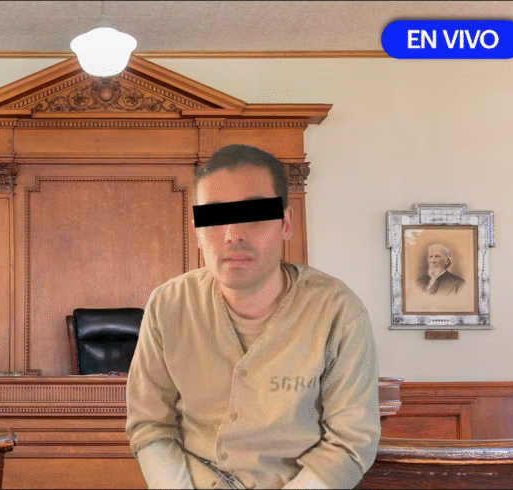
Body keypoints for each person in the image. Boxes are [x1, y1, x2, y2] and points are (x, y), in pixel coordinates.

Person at [126, 144, 380, 489]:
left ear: (285, 223)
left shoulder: (338, 311)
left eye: (254, 215)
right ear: (197, 231)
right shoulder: (168, 306)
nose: (233, 234)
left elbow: (350, 441)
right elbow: (150, 425)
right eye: (215, 218)